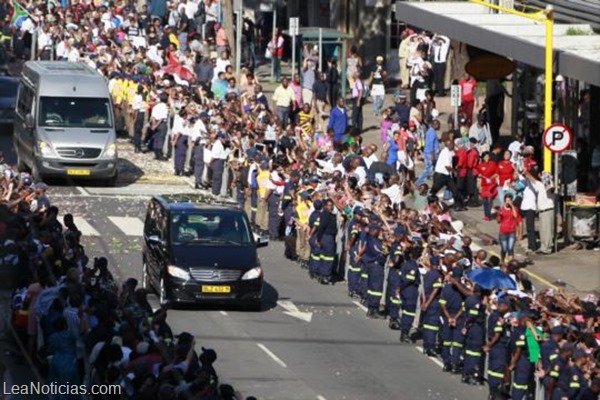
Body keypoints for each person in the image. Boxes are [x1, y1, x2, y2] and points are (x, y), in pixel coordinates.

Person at [430, 139, 466, 211]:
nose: (454, 145)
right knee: (434, 191)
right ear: (449, 145)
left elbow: (455, 155)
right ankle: (431, 205)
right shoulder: (445, 152)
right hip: (440, 175)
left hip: (447, 175)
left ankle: (458, 205)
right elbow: (447, 166)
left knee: (455, 190)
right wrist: (454, 171)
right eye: (452, 144)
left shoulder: (451, 151)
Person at [315, 199, 338, 285]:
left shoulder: (330, 215)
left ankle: (322, 274)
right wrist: (318, 239)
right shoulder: (326, 215)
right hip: (327, 237)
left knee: (324, 256)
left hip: (327, 237)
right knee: (328, 257)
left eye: (331, 205)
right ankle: (325, 276)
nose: (330, 207)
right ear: (325, 206)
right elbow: (321, 227)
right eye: (328, 205)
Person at [416, 120, 440, 185]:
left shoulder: (429, 131)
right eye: (438, 125)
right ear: (435, 125)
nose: (439, 126)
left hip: (427, 153)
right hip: (430, 154)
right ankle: (418, 182)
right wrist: (432, 155)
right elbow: (431, 144)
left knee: (434, 169)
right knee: (429, 170)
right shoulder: (432, 132)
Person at [477, 151, 498, 221]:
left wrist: (490, 178)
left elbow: (497, 173)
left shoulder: (493, 164)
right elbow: (478, 174)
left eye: (488, 156)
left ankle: (489, 216)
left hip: (492, 184)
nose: (487, 158)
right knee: (485, 201)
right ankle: (486, 215)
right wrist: (479, 177)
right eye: (485, 157)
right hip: (484, 185)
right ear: (483, 158)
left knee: (489, 200)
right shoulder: (480, 165)